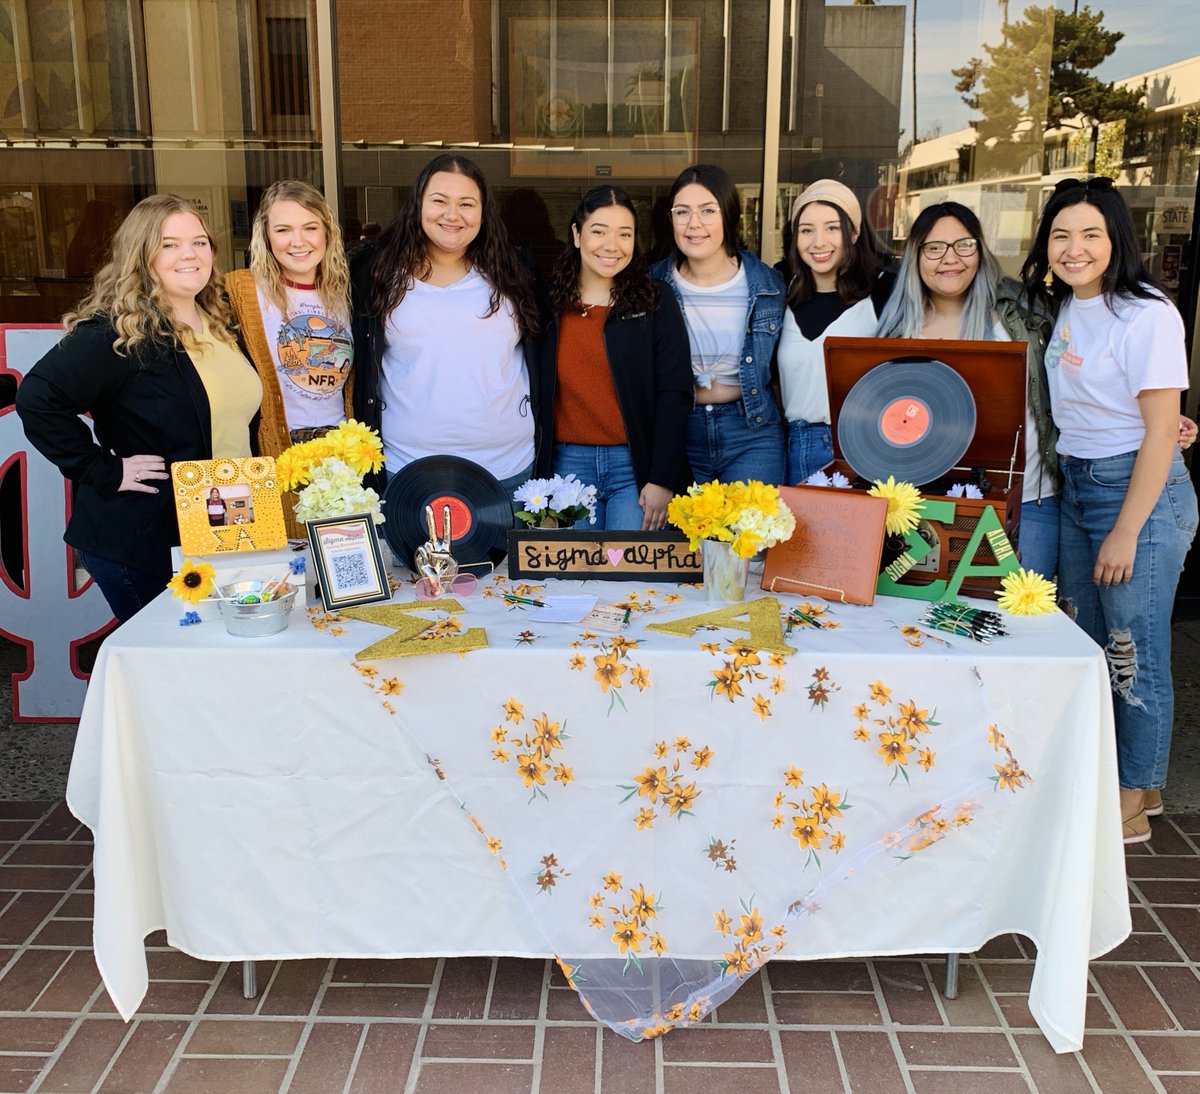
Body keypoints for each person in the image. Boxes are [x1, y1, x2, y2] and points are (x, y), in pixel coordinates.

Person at [1021, 177, 1198, 845]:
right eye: (1062, 235)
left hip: (1137, 498)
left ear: (1117, 238)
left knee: (1133, 652)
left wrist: (1126, 531)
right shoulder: (1064, 306)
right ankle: (1141, 782)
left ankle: (1127, 804)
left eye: (1090, 234)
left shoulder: (1147, 313)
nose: (1074, 248)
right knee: (1090, 644)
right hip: (1078, 485)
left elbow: (1160, 429)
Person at [16, 194, 261, 622]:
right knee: (171, 671)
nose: (189, 254)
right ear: (141, 255)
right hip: (146, 541)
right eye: (169, 244)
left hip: (222, 529)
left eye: (199, 242)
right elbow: (37, 398)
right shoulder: (119, 331)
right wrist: (104, 469)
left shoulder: (221, 322)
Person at [875, 201, 1060, 578]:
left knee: (1023, 616)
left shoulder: (1018, 316)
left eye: (964, 245)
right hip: (927, 505)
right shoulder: (897, 329)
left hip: (1028, 501)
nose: (950, 259)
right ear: (916, 256)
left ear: (980, 249)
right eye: (934, 248)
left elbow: (1076, 378)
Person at [351, 153, 540, 496]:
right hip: (407, 471)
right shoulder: (377, 274)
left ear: (483, 212)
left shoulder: (516, 272)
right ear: (418, 205)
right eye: (440, 201)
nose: (453, 215)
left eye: (467, 204)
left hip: (509, 470)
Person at [532, 187, 692, 530]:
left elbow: (674, 391)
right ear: (576, 235)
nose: (612, 245)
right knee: (572, 577)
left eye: (625, 234)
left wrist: (662, 477)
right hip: (567, 466)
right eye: (599, 231)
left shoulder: (655, 301)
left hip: (634, 468)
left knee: (628, 574)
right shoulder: (547, 304)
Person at [226, 180, 353, 536]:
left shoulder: (347, 291)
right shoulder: (240, 292)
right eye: (283, 229)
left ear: (327, 232)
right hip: (273, 452)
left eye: (310, 227)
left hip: (342, 458)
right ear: (265, 236)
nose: (298, 241)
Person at [650, 164, 786, 486]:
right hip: (677, 433)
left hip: (752, 433)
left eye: (708, 210)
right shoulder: (651, 285)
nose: (694, 224)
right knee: (686, 536)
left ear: (728, 214)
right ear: (671, 220)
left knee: (746, 536)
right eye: (682, 212)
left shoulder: (769, 285)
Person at [777, 179, 895, 484]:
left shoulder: (883, 291)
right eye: (806, 230)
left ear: (854, 233)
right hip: (793, 446)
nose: (818, 242)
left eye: (832, 228)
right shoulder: (782, 292)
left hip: (860, 448)